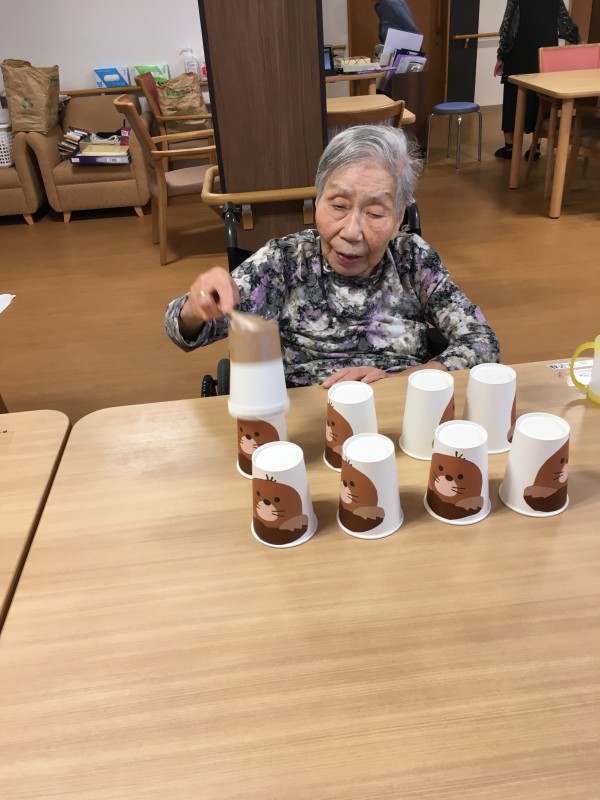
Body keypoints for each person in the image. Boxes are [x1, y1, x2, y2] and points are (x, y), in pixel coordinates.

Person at [165, 125, 500, 388]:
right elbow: (183, 332)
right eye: (339, 206)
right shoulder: (286, 260)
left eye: (375, 213)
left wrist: (413, 377)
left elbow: (483, 342)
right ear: (318, 200)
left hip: (399, 408)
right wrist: (197, 306)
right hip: (307, 417)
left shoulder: (412, 260)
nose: (352, 231)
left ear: (399, 218)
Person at [494, 0, 580, 160]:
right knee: (540, 101)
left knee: (513, 99)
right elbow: (566, 26)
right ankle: (535, 147)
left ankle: (510, 147)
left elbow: (508, 27)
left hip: (519, 55)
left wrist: (501, 56)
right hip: (545, 56)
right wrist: (577, 39)